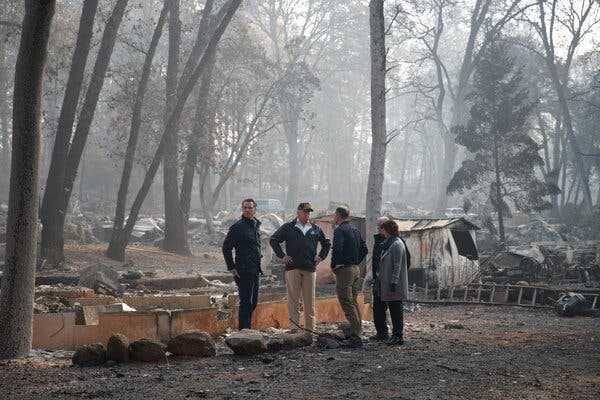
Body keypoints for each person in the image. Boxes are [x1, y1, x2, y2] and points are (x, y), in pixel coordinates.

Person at [270, 202, 331, 334]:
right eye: (305, 211)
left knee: (310, 301)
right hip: (293, 268)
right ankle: (295, 329)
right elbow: (274, 240)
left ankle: (310, 330)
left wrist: (320, 257)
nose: (307, 214)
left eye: (309, 212)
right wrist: (282, 256)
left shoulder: (315, 228)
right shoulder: (288, 227)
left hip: (310, 268)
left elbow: (326, 244)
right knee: (293, 300)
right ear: (298, 212)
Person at [331, 207, 368, 347]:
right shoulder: (355, 230)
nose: (334, 217)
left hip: (345, 270)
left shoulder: (340, 230)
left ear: (338, 215)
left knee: (346, 301)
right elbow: (365, 249)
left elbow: (338, 248)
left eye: (335, 215)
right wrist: (355, 261)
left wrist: (334, 265)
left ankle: (356, 336)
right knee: (353, 301)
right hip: (355, 269)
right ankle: (357, 331)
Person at [222, 198, 262, 330]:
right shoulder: (237, 227)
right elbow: (226, 248)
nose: (247, 210)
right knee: (246, 302)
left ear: (254, 209)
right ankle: (244, 332)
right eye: (245, 208)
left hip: (255, 269)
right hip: (243, 270)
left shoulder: (256, 225)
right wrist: (232, 267)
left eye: (250, 208)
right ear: (242, 209)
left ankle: (246, 329)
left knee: (253, 302)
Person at [377, 219, 410, 346]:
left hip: (395, 284)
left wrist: (394, 282)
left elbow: (397, 265)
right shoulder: (389, 243)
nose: (381, 231)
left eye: (383, 229)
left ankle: (398, 336)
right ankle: (395, 335)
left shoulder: (397, 244)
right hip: (389, 282)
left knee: (396, 310)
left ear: (388, 230)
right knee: (393, 309)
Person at [365, 216, 390, 342]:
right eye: (378, 227)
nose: (379, 229)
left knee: (393, 308)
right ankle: (382, 333)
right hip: (378, 280)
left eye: (381, 227)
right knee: (378, 308)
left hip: (389, 280)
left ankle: (396, 334)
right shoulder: (379, 240)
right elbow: (375, 261)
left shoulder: (394, 241)